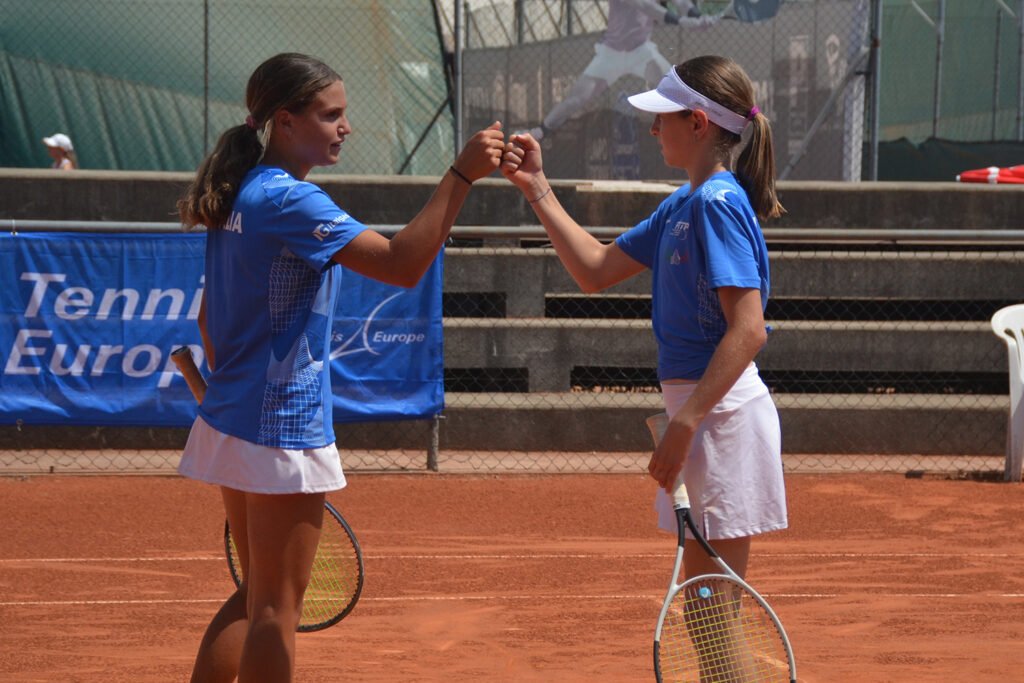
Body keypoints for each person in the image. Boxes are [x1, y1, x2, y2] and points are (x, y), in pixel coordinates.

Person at [175, 52, 503, 683]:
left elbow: (209, 323)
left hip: (233, 415)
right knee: (276, 608)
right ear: (285, 121)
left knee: (255, 597)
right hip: (281, 425)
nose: (343, 126)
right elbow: (403, 263)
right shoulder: (291, 200)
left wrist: (234, 394)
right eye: (331, 115)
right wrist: (460, 174)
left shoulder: (242, 191)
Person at [501, 55, 787, 584]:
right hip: (701, 415)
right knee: (707, 612)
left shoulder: (716, 203)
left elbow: (748, 329)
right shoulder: (685, 201)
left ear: (697, 124)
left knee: (711, 612)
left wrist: (686, 421)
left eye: (664, 116)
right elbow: (594, 269)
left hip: (718, 418)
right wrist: (536, 186)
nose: (654, 127)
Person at [525, 0, 707, 142]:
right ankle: (540, 132)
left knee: (674, 86)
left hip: (641, 51)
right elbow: (646, 6)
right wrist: (681, 20)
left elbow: (683, 3)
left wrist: (698, 17)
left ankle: (701, 127)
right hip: (611, 54)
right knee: (577, 98)